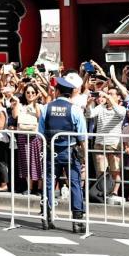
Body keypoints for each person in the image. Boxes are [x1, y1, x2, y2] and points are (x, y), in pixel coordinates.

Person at [39, 76, 86, 232]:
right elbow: (82, 137)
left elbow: (40, 133)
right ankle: (77, 221)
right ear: (71, 93)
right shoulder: (75, 109)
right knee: (75, 183)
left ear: (57, 91)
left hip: (51, 151)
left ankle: (46, 217)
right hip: (70, 151)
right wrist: (84, 156)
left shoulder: (46, 108)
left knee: (49, 183)